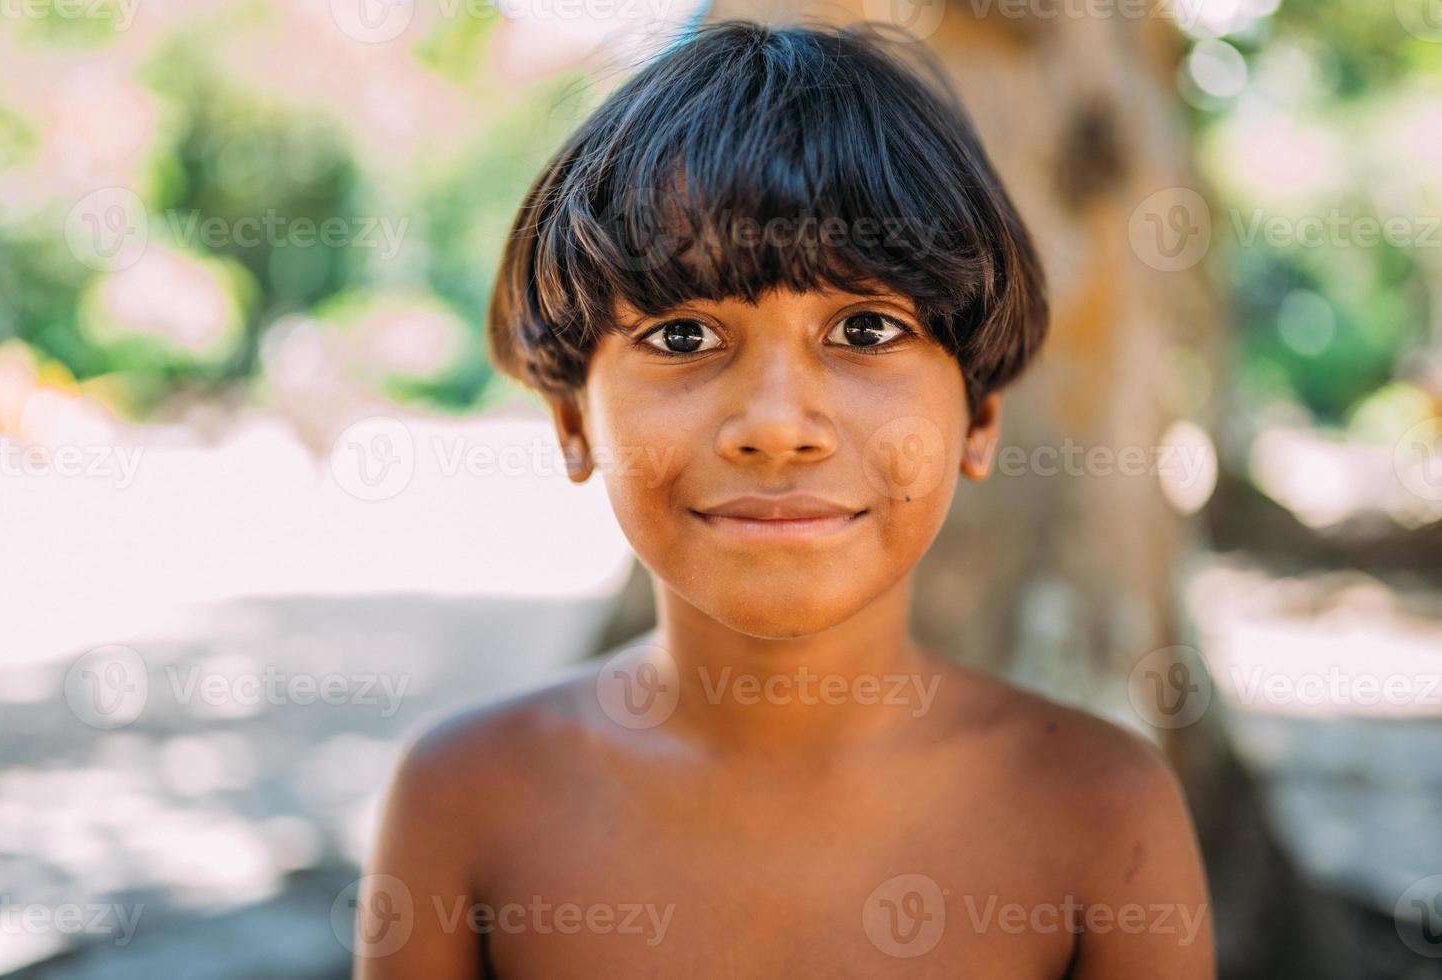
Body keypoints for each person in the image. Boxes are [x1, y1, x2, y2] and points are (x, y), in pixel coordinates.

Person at [356, 18, 1214, 978]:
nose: (776, 424)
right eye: (683, 338)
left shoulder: (1100, 812)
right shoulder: (466, 799)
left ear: (978, 417)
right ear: (572, 421)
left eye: (866, 328)